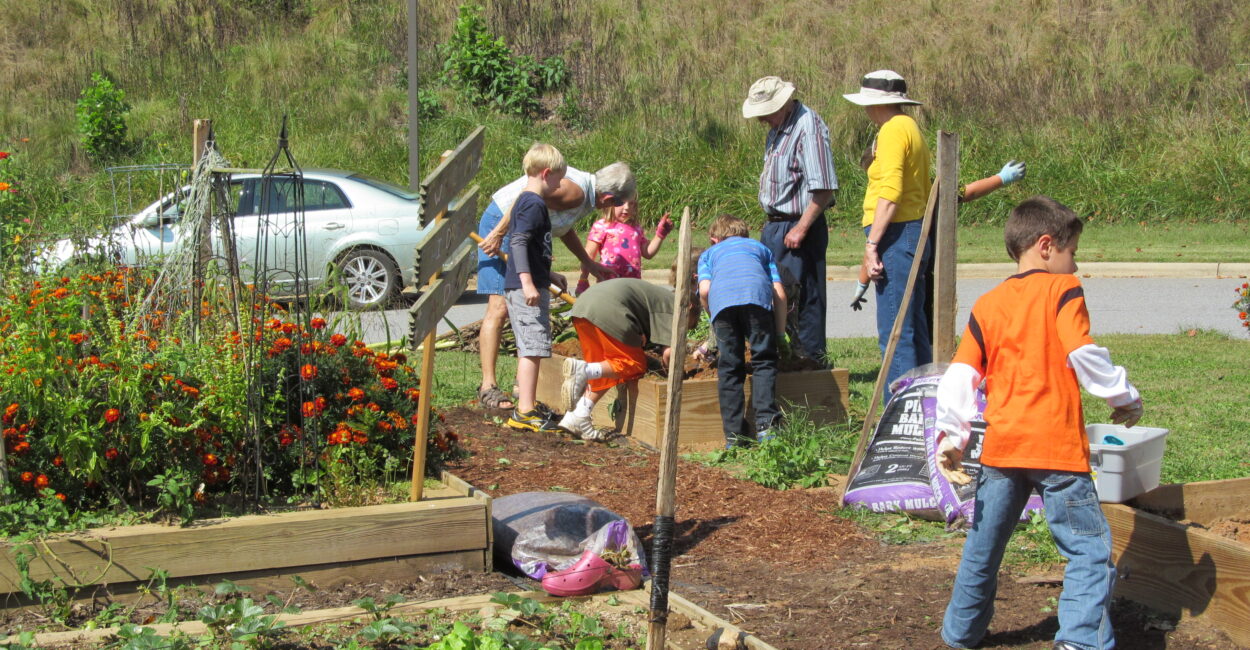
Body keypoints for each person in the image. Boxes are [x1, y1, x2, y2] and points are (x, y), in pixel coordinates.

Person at [933, 196, 1144, 650]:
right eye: (1073, 251)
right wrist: (1124, 396)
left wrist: (952, 435)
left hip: (1003, 449)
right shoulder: (1063, 289)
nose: (1076, 263)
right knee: (1087, 551)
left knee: (983, 547)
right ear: (1046, 246)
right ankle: (1081, 641)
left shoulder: (987, 303)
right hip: (1057, 449)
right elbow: (1082, 352)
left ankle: (959, 633)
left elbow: (962, 373)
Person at [474, 162, 637, 411]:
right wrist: (498, 234)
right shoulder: (576, 193)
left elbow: (563, 227)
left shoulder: (581, 197)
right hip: (505, 224)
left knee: (521, 313)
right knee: (499, 306)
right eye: (616, 202)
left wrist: (587, 262)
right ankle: (488, 386)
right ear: (608, 198)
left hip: (520, 232)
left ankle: (522, 387)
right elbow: (525, 199)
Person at [842, 69, 932, 401]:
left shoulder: (893, 130)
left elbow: (891, 192)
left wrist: (872, 244)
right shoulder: (908, 127)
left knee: (895, 332)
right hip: (910, 231)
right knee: (912, 326)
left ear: (876, 103)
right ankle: (923, 405)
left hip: (896, 234)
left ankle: (899, 410)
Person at [742, 76, 838, 366]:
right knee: (773, 294)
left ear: (784, 103)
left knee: (799, 299)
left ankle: (808, 364)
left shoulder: (808, 127)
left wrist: (801, 228)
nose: (761, 119)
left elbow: (824, 188)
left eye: (766, 112)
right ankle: (780, 361)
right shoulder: (778, 127)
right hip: (777, 225)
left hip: (797, 227)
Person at [849, 160, 1028, 310]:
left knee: (918, 312)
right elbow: (967, 192)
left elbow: (964, 192)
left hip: (923, 258)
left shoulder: (891, 199)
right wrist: (1001, 178)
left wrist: (861, 285)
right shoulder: (921, 186)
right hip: (927, 257)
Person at [557, 272, 702, 441]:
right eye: (689, 325)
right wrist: (676, 375)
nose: (684, 330)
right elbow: (670, 353)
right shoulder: (675, 307)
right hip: (608, 310)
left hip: (584, 307)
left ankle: (578, 416)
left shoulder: (659, 298)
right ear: (689, 307)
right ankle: (584, 370)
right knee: (635, 364)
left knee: (605, 367)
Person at [697, 214, 788, 447]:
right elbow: (779, 293)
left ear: (714, 239)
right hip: (757, 300)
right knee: (764, 360)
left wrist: (712, 317)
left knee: (729, 367)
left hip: (723, 305)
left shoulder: (708, 254)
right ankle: (767, 428)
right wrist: (779, 335)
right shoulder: (760, 249)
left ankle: (735, 437)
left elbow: (705, 291)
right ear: (745, 235)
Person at [502, 143, 569, 433]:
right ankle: (525, 411)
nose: (560, 185)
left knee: (533, 345)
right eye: (559, 179)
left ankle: (527, 403)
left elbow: (530, 248)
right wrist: (528, 283)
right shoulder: (533, 203)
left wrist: (548, 274)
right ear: (546, 173)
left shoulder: (525, 200)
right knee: (532, 346)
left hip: (530, 283)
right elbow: (518, 242)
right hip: (525, 288)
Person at [574, 198, 674, 294]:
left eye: (631, 203)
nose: (626, 207)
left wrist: (660, 234)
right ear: (610, 204)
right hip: (608, 284)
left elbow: (648, 252)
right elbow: (588, 255)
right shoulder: (602, 226)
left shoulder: (636, 228)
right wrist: (583, 279)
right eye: (621, 203)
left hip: (633, 285)